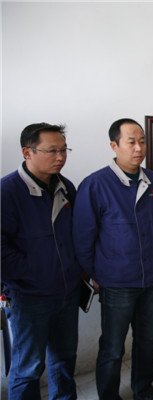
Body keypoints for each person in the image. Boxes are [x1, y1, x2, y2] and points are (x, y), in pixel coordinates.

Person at [73, 118, 153, 400]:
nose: (139, 148)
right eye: (131, 142)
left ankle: (143, 390)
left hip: (151, 279)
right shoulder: (95, 184)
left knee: (146, 341)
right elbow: (83, 238)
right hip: (116, 283)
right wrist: (97, 274)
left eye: (142, 142)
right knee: (113, 347)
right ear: (113, 146)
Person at [1, 123, 81, 399]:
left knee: (64, 360)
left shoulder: (66, 187)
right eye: (52, 151)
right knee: (28, 368)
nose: (60, 157)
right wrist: (36, 272)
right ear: (27, 152)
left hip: (67, 293)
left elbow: (75, 235)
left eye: (64, 150)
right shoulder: (7, 192)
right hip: (29, 297)